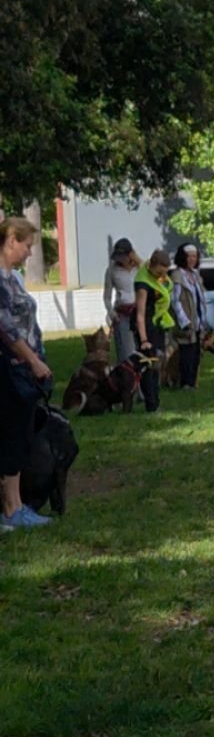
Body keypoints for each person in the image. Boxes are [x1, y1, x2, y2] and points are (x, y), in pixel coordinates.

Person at [0, 217, 54, 529]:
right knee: (10, 435)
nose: (30, 253)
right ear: (11, 241)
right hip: (9, 369)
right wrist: (32, 360)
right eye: (27, 245)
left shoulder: (13, 278)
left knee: (20, 434)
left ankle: (18, 504)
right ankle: (10, 509)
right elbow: (6, 329)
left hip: (22, 370)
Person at [133, 249, 174, 413]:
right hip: (145, 327)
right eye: (159, 272)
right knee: (148, 366)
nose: (161, 276)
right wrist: (144, 340)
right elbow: (140, 315)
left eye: (164, 273)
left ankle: (156, 401)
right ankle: (151, 404)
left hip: (157, 324)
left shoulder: (153, 272)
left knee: (157, 364)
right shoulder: (142, 286)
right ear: (151, 265)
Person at [170, 243, 207, 390]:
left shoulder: (195, 275)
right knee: (186, 353)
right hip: (185, 322)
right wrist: (183, 320)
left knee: (196, 353)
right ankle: (185, 383)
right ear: (182, 257)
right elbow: (175, 300)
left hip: (197, 321)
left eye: (194, 256)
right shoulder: (177, 276)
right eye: (189, 256)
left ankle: (192, 382)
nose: (192, 259)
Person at [103, 238, 142, 363]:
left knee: (142, 347)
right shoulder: (112, 271)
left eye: (123, 256)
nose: (120, 260)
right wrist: (111, 312)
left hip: (140, 311)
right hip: (123, 313)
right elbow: (107, 296)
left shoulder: (140, 269)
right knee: (126, 351)